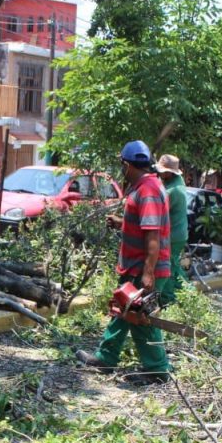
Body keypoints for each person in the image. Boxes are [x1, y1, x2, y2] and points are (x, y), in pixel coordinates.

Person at [76, 140, 171, 384]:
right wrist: (122, 222)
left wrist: (148, 273)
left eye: (122, 165)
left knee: (141, 319)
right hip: (135, 266)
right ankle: (106, 358)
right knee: (122, 310)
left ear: (127, 165)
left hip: (143, 268)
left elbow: (153, 235)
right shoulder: (143, 187)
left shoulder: (147, 190)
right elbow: (143, 225)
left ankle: (157, 370)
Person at [154, 154, 188, 305]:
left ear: (170, 172)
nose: (160, 173)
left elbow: (157, 213)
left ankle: (167, 300)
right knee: (174, 265)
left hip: (173, 235)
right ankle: (186, 292)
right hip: (179, 233)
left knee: (165, 267)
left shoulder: (172, 191)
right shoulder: (177, 181)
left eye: (162, 171)